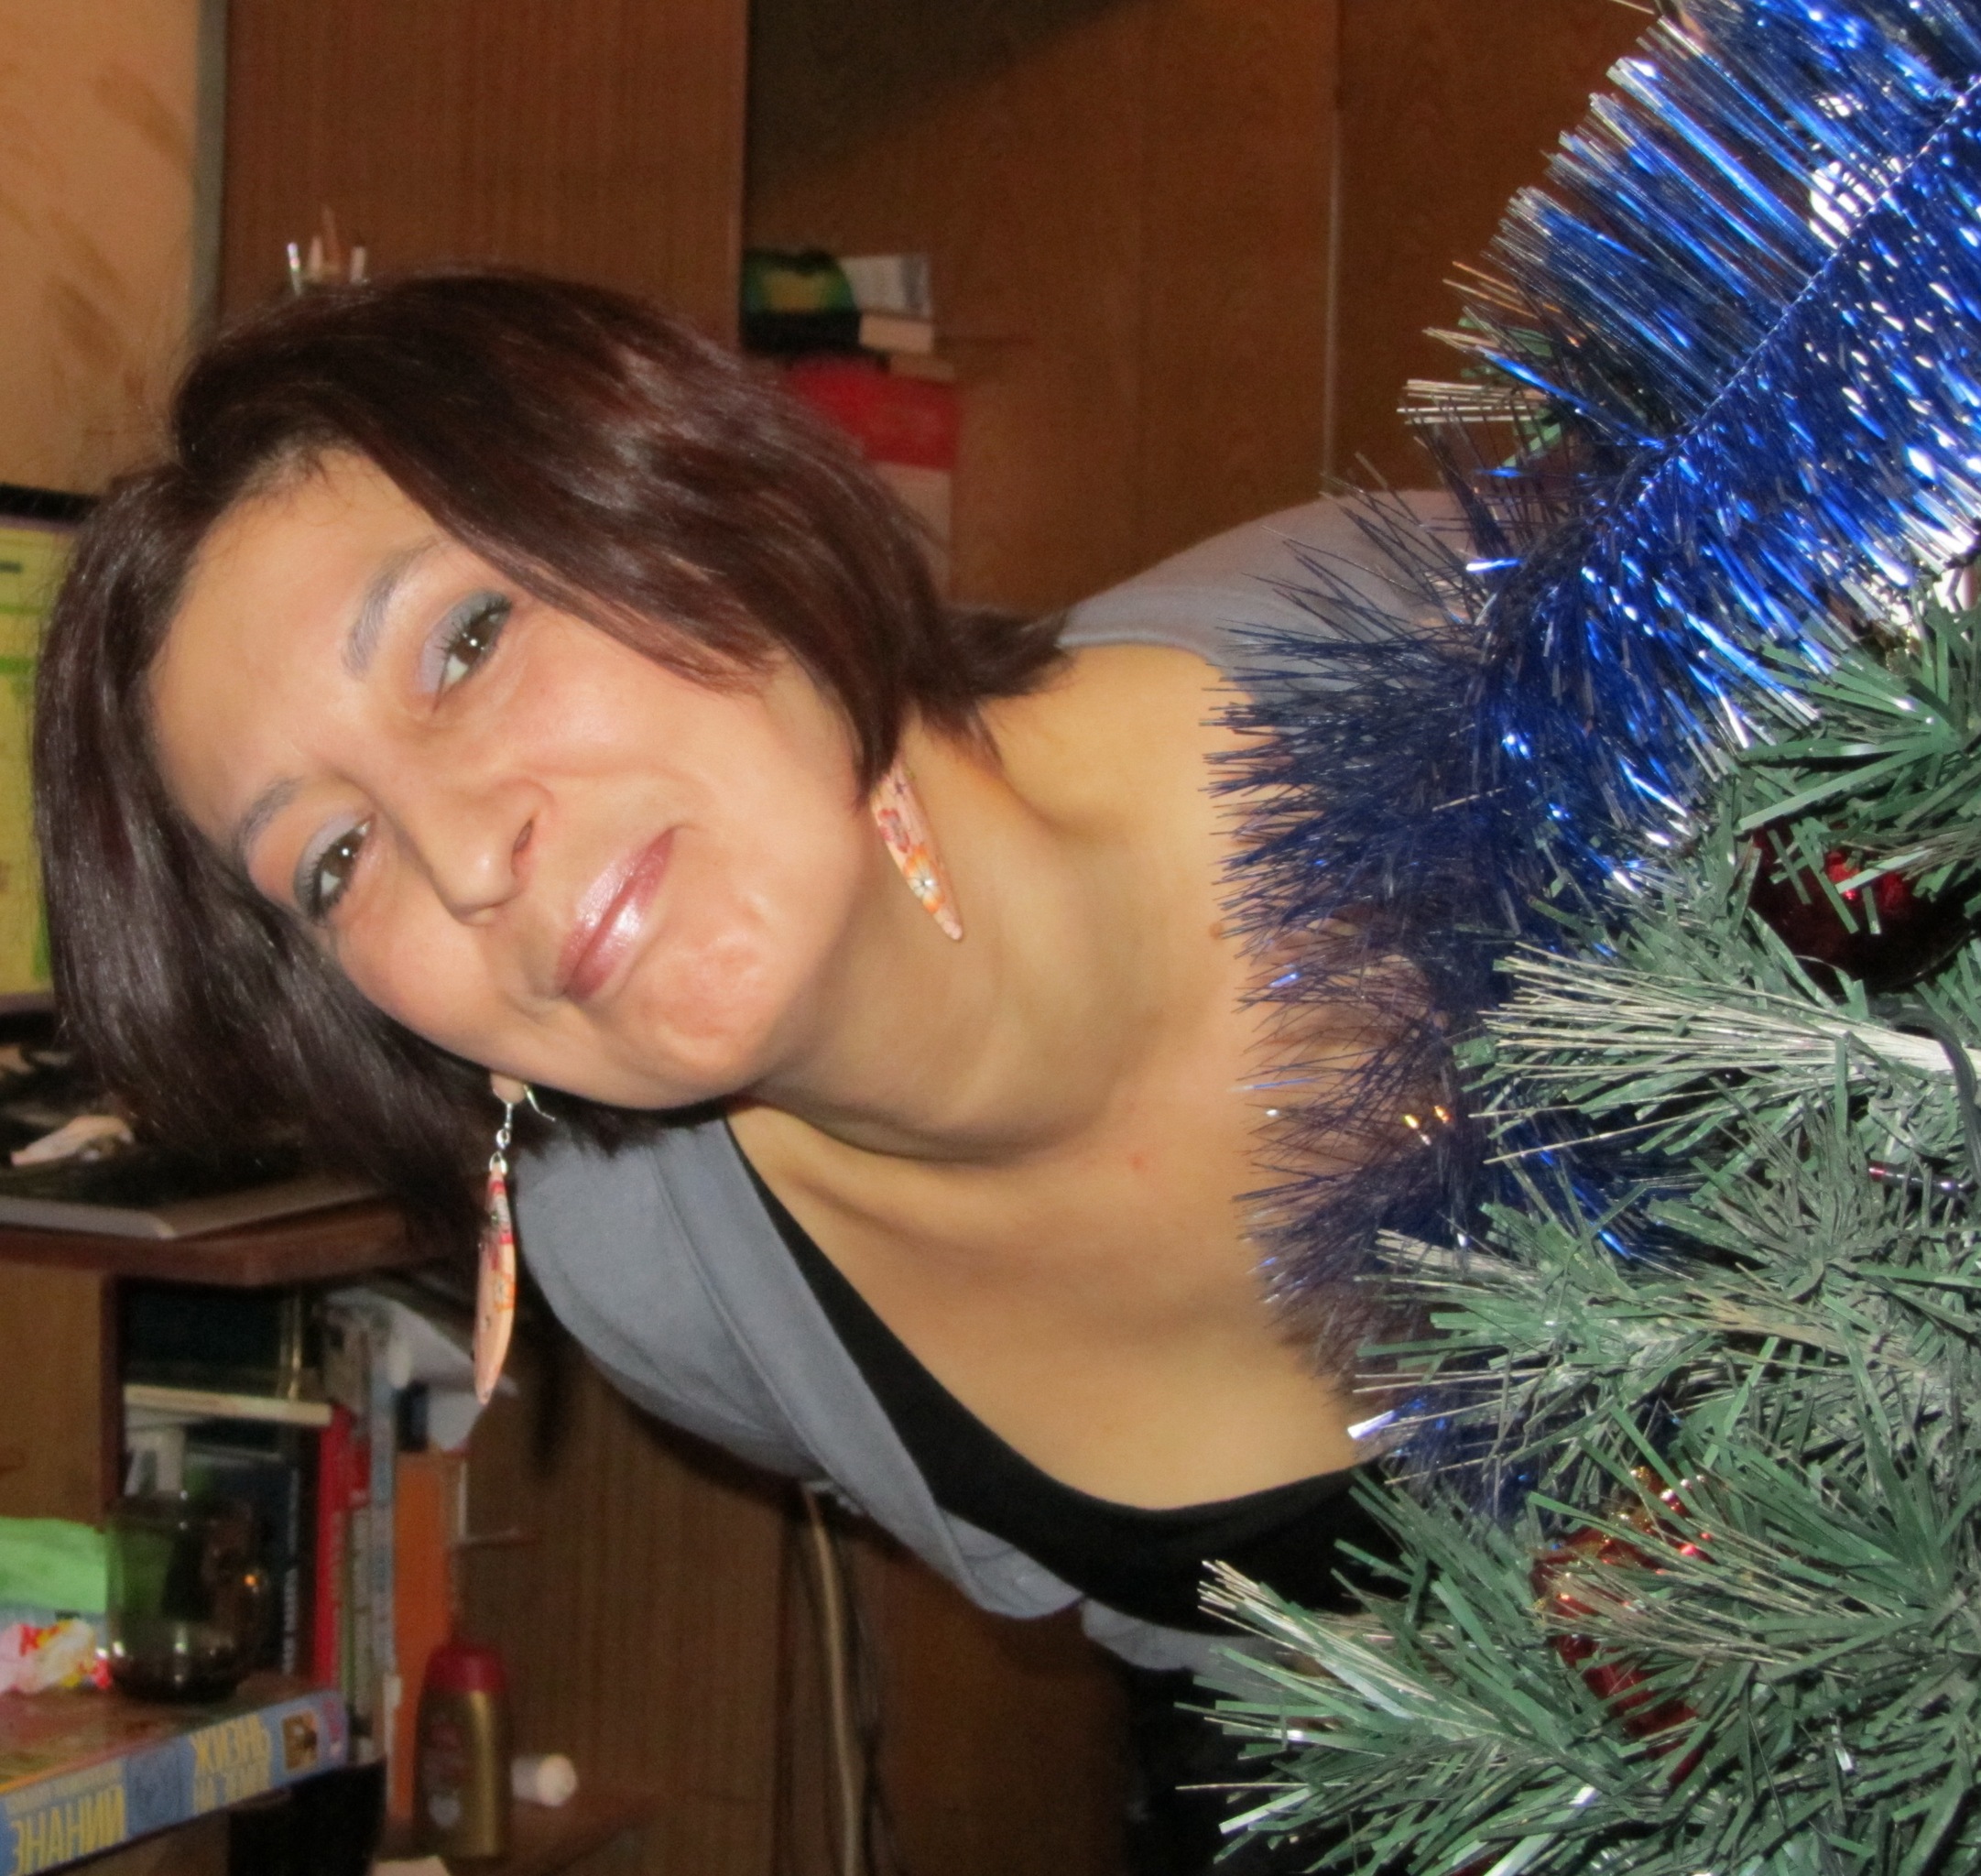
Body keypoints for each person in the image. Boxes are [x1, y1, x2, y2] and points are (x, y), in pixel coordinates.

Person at [35, 268, 1458, 1727]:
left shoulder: (1449, 659)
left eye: (465, 645)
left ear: (691, 502)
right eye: (336, 860)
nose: (465, 858)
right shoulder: (661, 1280)